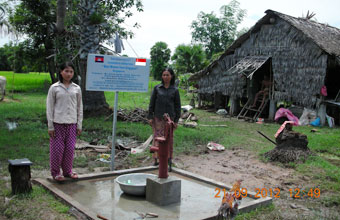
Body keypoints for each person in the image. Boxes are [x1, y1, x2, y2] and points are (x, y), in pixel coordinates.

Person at [46, 62, 83, 182]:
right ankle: (56, 173)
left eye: (71, 71)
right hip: (58, 124)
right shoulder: (55, 88)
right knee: (57, 149)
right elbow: (50, 107)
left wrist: (79, 124)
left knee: (70, 149)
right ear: (61, 72)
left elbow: (79, 107)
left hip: (72, 124)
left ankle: (68, 171)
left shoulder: (76, 88)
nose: (68, 74)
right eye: (66, 71)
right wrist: (50, 126)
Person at [148, 67, 181, 169]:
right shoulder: (157, 88)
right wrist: (150, 116)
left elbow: (177, 106)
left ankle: (168, 159)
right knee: (157, 137)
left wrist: (176, 120)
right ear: (162, 76)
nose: (166, 77)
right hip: (158, 117)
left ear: (171, 76)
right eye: (164, 75)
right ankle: (156, 159)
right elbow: (152, 103)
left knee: (169, 139)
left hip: (170, 119)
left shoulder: (175, 90)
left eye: (168, 75)